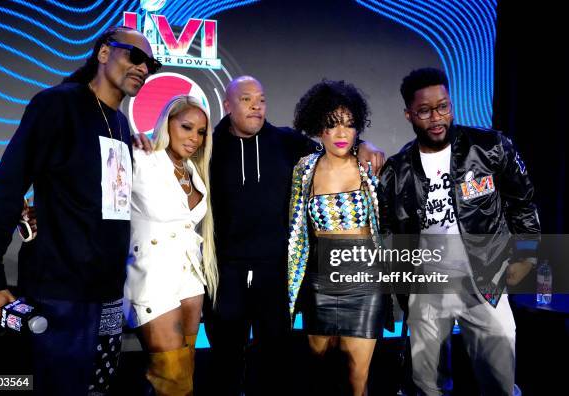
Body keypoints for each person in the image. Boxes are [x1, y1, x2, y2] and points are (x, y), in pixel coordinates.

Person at [0, 25, 160, 396]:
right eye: (134, 56)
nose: (143, 67)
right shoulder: (57, 105)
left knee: (97, 388)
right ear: (104, 53)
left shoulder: (122, 123)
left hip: (108, 294)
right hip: (59, 295)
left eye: (150, 64)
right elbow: (7, 188)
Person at [203, 75, 386, 395]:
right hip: (232, 273)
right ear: (227, 104)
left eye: (261, 99)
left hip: (283, 275)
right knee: (227, 361)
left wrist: (364, 144)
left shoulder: (288, 142)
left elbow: (339, 146)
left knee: (283, 363)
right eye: (247, 100)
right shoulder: (211, 145)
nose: (256, 106)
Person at [378, 68, 540, 395]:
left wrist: (526, 256)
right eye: (424, 111)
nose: (436, 118)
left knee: (500, 379)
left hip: (485, 276)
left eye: (444, 107)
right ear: (409, 114)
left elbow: (523, 202)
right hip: (427, 283)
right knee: (425, 385)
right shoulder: (397, 170)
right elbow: (385, 231)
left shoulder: (491, 146)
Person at [287, 80, 392, 396]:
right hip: (322, 284)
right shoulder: (304, 169)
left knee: (356, 380)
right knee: (319, 378)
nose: (343, 134)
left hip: (365, 283)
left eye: (349, 125)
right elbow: (296, 231)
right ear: (319, 128)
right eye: (333, 125)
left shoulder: (368, 167)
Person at [123, 95, 217, 395]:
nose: (194, 138)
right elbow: (97, 196)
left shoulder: (194, 172)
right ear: (167, 123)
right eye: (187, 127)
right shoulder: (142, 157)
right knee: (171, 375)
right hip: (151, 278)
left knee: (183, 374)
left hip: (189, 281)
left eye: (201, 132)